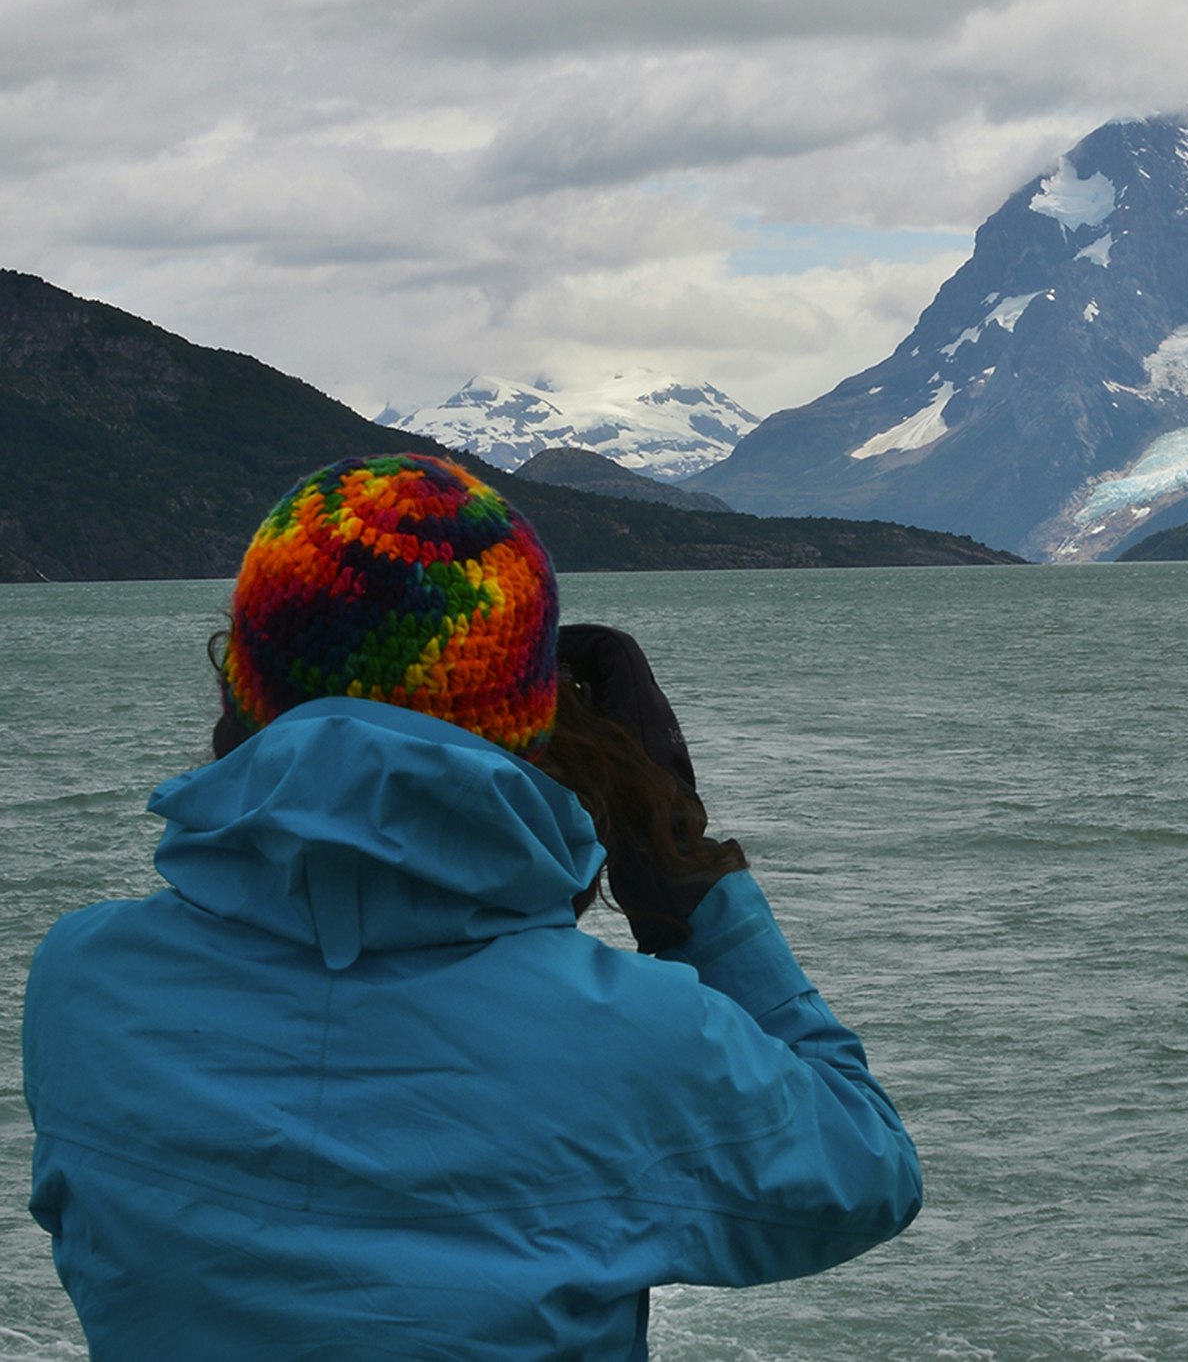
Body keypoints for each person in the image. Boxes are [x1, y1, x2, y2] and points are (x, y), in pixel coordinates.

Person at [23, 453, 922, 1359]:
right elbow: (868, 1169)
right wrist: (681, 868)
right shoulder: (643, 1041)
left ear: (243, 693)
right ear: (533, 729)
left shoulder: (80, 982)